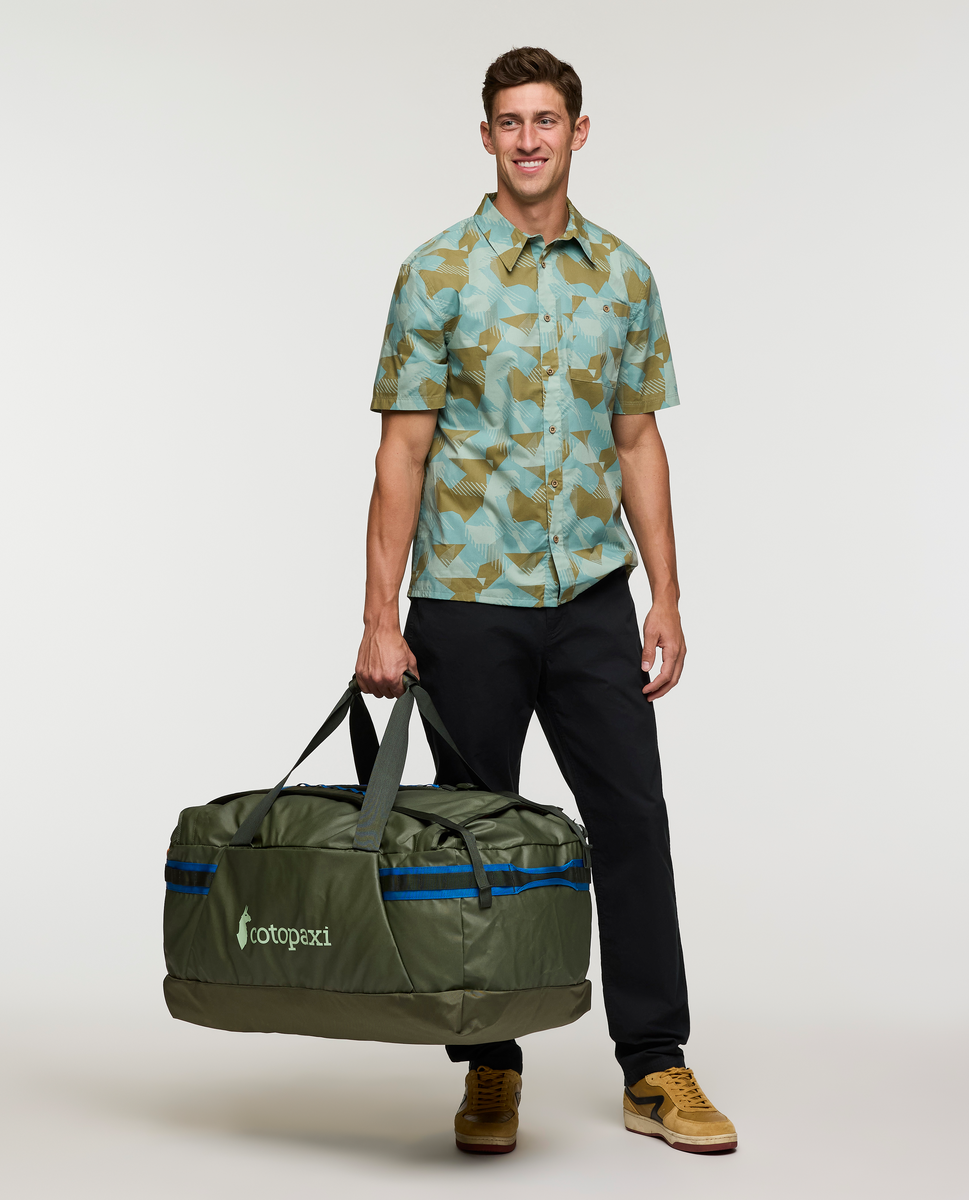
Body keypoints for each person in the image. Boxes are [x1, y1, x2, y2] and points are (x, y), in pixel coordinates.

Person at [354, 46, 737, 1157]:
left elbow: (639, 440)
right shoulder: (435, 273)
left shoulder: (623, 275)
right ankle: (489, 1066)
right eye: (511, 123)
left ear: (579, 132)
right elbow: (402, 453)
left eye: (547, 121)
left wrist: (665, 594)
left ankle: (654, 1065)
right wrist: (380, 615)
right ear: (487, 137)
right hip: (467, 601)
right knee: (479, 839)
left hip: (589, 598)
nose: (529, 140)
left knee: (632, 820)